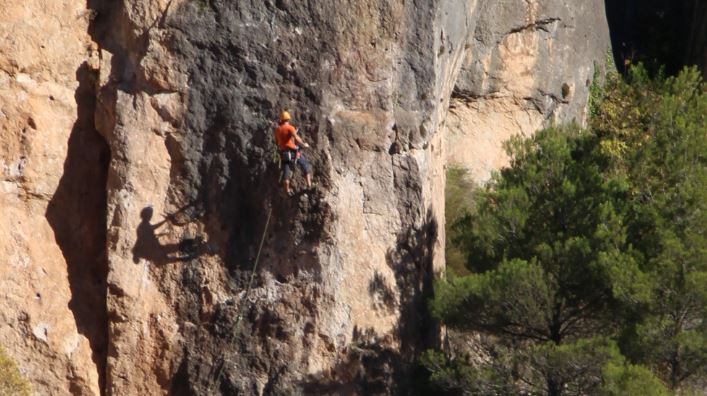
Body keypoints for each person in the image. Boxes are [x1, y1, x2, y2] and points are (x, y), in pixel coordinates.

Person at [274, 110, 313, 195]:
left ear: (281, 119)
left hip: (284, 153)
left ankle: (287, 191)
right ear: (288, 119)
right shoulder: (290, 128)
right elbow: (296, 137)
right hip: (293, 152)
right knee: (305, 165)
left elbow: (278, 142)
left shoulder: (277, 130)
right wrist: (303, 144)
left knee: (286, 172)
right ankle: (309, 185)